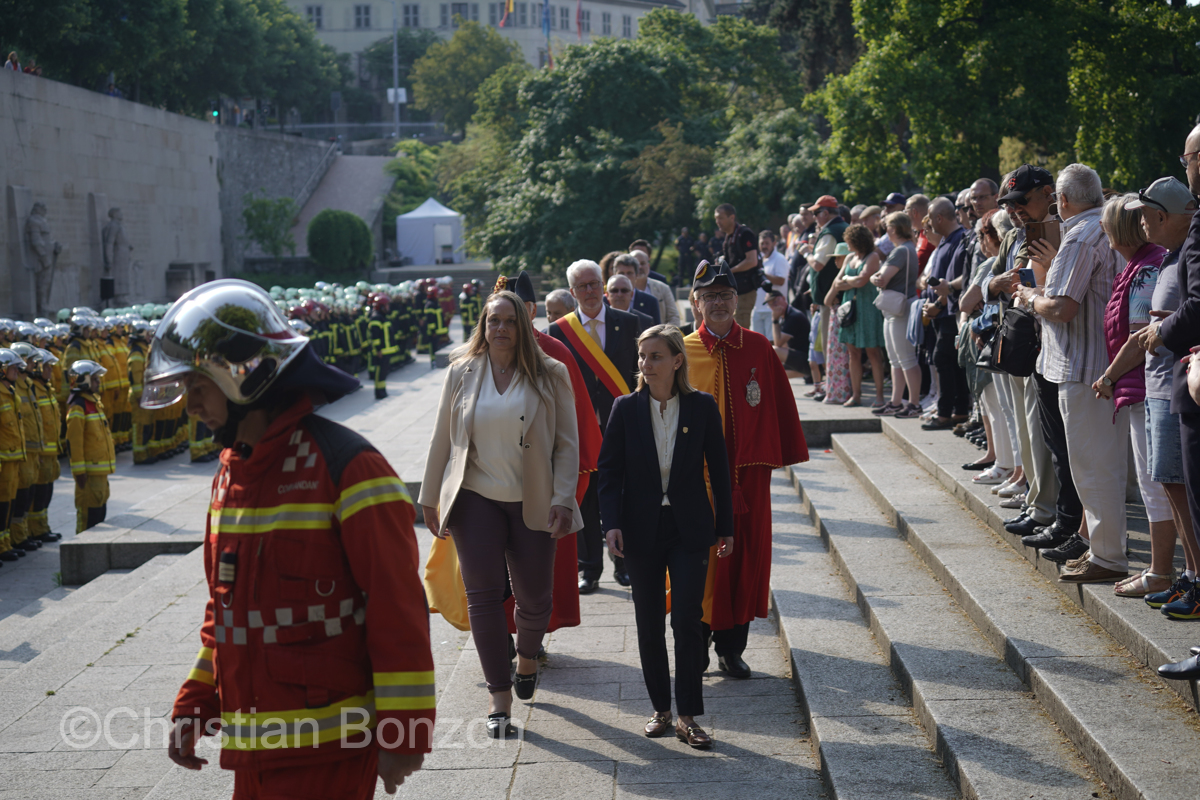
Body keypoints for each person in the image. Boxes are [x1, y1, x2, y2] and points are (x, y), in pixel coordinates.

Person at [151, 280, 435, 795]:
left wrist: (406, 735)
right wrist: (196, 702)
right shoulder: (230, 475)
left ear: (242, 377)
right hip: (252, 752)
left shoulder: (351, 469)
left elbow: (398, 609)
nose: (189, 407)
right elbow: (226, 612)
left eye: (198, 387)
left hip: (329, 751)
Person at [420, 289, 581, 738]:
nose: (502, 328)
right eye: (494, 321)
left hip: (533, 498)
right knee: (482, 598)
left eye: (510, 321)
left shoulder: (551, 373)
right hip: (475, 500)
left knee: (534, 599)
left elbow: (567, 444)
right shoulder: (461, 371)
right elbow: (441, 440)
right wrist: (431, 497)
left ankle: (527, 656)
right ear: (483, 325)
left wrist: (562, 498)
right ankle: (499, 696)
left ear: (524, 326)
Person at [600, 325, 733, 749]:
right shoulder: (625, 408)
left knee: (687, 621)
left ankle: (689, 716)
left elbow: (721, 471)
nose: (646, 364)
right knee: (648, 622)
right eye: (642, 356)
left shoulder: (702, 407)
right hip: (640, 530)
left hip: (689, 528)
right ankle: (660, 708)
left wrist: (725, 526)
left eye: (655, 356)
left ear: (677, 361)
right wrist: (611, 524)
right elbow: (609, 474)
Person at [684, 259, 807, 678]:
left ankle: (732, 648)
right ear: (696, 303)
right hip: (694, 480)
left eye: (725, 296)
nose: (718, 303)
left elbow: (780, 409)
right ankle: (696, 647)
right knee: (698, 563)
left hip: (748, 480)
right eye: (709, 297)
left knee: (745, 560)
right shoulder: (681, 350)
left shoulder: (758, 348)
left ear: (737, 300)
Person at [1014, 164, 1126, 582]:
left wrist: (1029, 296)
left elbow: (1062, 308)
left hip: (1083, 367)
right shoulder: (1110, 225)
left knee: (1092, 469)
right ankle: (1103, 549)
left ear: (1061, 200)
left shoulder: (1079, 235)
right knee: (1102, 467)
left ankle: (1108, 556)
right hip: (1105, 365)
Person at [1091, 189, 1179, 598]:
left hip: (1147, 386)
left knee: (1155, 483)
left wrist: (1108, 376)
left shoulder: (1146, 269)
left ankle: (1162, 572)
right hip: (1143, 385)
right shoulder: (1139, 266)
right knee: (1155, 483)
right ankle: (1161, 571)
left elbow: (1138, 335)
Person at [548, 260, 640, 592]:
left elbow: (637, 375)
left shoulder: (630, 323)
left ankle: (624, 563)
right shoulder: (558, 331)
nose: (589, 291)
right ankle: (589, 569)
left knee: (623, 495)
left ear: (602, 285)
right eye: (582, 287)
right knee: (585, 499)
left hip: (622, 427)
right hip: (579, 431)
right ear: (572, 293)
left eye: (594, 284)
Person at [920, 197, 971, 429]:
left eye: (930, 219)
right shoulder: (945, 240)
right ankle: (959, 411)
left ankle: (946, 412)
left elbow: (954, 281)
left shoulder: (960, 239)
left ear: (939, 217)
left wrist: (938, 305)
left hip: (951, 311)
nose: (928, 225)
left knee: (944, 359)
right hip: (942, 312)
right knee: (950, 361)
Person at [871, 212, 923, 418]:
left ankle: (913, 403)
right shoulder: (907, 248)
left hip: (899, 309)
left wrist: (875, 277)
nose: (886, 230)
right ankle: (897, 402)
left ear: (895, 228)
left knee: (905, 358)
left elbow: (881, 279)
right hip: (898, 308)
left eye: (888, 227)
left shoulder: (901, 251)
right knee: (897, 359)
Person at [829, 224, 886, 408]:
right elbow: (837, 283)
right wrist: (849, 281)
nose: (847, 244)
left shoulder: (873, 256)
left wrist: (847, 280)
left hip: (868, 309)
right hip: (850, 309)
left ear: (857, 241)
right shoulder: (851, 258)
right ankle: (856, 395)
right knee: (853, 353)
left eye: (849, 241)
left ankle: (879, 396)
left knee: (873, 352)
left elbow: (862, 281)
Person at [797, 196, 848, 399]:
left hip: (832, 298)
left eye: (816, 213)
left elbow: (818, 264)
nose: (814, 217)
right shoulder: (841, 227)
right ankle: (834, 385)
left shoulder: (829, 231)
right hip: (836, 296)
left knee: (830, 345)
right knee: (838, 347)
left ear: (826, 213)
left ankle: (832, 386)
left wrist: (804, 252)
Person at [65, 359, 114, 534]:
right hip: (89, 476)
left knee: (100, 518)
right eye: (94, 379)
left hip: (100, 475)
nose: (98, 382)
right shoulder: (79, 406)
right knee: (88, 522)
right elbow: (74, 443)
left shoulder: (93, 403)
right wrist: (79, 473)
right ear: (82, 380)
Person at [713, 204, 762, 329]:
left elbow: (752, 261)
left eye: (721, 218)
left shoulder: (744, 234)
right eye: (716, 219)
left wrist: (729, 271)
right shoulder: (729, 236)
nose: (718, 222)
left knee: (741, 331)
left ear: (732, 217)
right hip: (733, 291)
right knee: (731, 329)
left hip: (745, 291)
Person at [821, 243, 853, 405]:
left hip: (845, 321)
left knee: (842, 358)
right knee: (835, 357)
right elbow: (827, 300)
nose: (836, 261)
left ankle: (841, 392)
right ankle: (834, 391)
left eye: (839, 258)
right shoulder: (838, 277)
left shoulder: (846, 277)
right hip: (837, 320)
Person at [751, 230, 789, 339]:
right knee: (757, 344)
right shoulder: (758, 260)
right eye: (762, 243)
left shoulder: (779, 259)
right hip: (757, 309)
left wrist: (763, 274)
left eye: (767, 243)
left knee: (771, 345)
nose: (764, 246)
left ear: (774, 243)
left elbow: (781, 280)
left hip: (772, 310)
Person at [630, 249, 680, 327]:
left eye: (642, 263)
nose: (639, 267)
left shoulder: (663, 288)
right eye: (636, 264)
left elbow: (673, 316)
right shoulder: (622, 290)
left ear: (648, 266)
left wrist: (667, 337)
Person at [767, 291, 810, 378]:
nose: (774, 305)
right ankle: (810, 376)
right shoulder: (786, 315)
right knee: (771, 373)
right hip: (800, 359)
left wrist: (774, 320)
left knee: (774, 350)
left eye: (775, 301)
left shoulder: (793, 316)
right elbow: (783, 345)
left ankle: (811, 375)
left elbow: (778, 343)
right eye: (770, 304)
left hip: (807, 360)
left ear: (783, 298)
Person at [611, 253, 662, 325]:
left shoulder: (650, 302)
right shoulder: (604, 301)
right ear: (614, 275)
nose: (626, 277)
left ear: (637, 275)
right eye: (621, 273)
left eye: (629, 273)